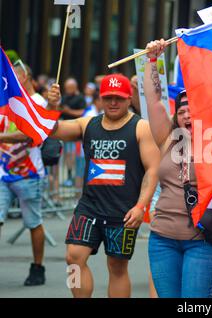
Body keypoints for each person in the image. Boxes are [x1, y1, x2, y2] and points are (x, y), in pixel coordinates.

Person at [47, 74, 160, 298]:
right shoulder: (88, 124)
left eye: (118, 98)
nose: (113, 103)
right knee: (73, 258)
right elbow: (51, 130)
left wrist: (140, 207)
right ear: (100, 99)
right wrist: (52, 106)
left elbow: (153, 169)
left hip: (123, 211)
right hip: (89, 207)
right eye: (108, 98)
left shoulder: (141, 127)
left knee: (117, 268)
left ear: (129, 99)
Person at [143, 40, 212, 298]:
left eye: (194, 111)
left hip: (202, 242)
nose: (187, 116)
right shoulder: (167, 139)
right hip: (162, 239)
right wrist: (152, 61)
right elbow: (154, 100)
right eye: (182, 111)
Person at [0, 62, 48, 286]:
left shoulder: (37, 102)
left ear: (26, 77)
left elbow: (27, 134)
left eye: (16, 77)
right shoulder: (6, 101)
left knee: (32, 222)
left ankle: (38, 267)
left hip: (28, 173)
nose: (12, 82)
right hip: (3, 172)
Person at [61, 78, 87, 187]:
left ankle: (77, 178)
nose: (67, 90)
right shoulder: (65, 97)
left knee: (76, 156)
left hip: (76, 131)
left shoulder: (80, 98)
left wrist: (69, 111)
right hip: (65, 130)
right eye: (66, 88)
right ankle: (69, 175)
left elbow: (83, 112)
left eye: (69, 88)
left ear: (74, 87)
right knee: (67, 155)